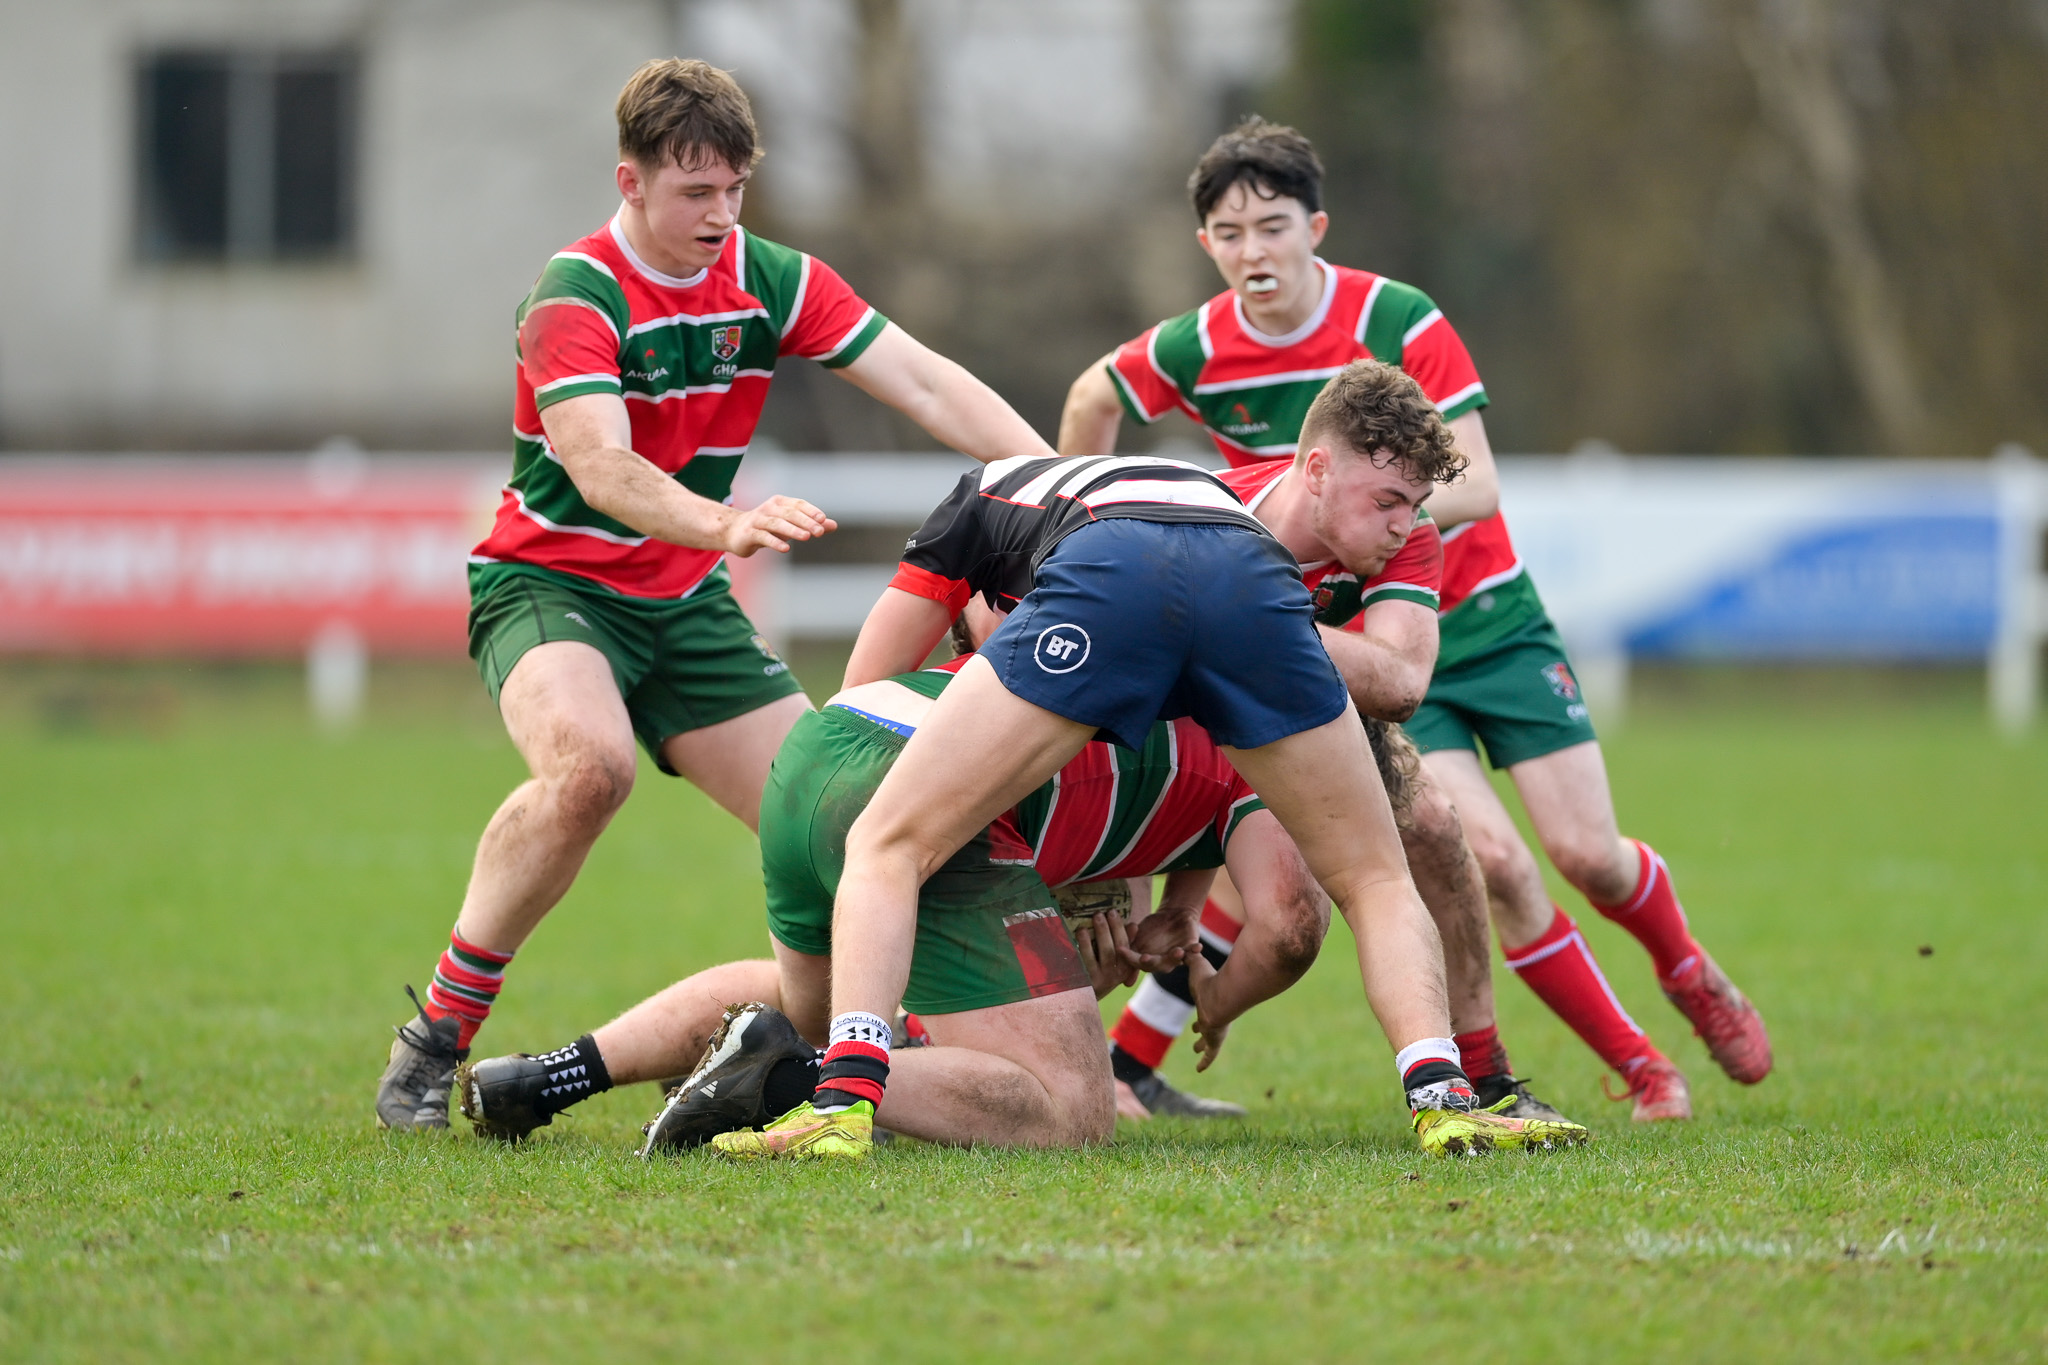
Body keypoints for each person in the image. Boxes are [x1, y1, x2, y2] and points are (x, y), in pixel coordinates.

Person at [376, 58, 1058, 1131]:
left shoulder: (769, 277)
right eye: (695, 191)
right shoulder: (574, 297)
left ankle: (846, 1056)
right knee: (590, 772)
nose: (720, 215)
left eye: (735, 189)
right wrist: (723, 525)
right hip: (550, 584)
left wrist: (1059, 488)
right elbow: (600, 467)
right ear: (631, 180)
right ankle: (438, 1035)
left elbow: (925, 381)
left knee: (845, 809)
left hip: (686, 605)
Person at [1060, 118, 1769, 1121]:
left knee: (1587, 854)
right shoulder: (1196, 346)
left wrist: (1364, 504)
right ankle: (1641, 1069)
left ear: (1315, 228)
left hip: (1483, 612)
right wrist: (1084, 502)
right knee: (1479, 857)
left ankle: (1688, 970)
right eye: (1231, 233)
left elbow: (1477, 482)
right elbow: (1092, 394)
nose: (1254, 251)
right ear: (1205, 243)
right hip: (1369, 639)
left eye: (1272, 226)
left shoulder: (1392, 317)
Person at [731, 368, 1584, 1163]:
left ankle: (839, 1099)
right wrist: (1172, 895)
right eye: (1390, 502)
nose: (1404, 526)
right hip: (1250, 577)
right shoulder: (1218, 501)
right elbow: (1192, 704)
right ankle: (1444, 1097)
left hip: (1119, 561)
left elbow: (865, 692)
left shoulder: (976, 505)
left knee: (888, 837)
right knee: (1376, 876)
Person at [456, 628, 1345, 1153]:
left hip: (826, 745)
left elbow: (1141, 822)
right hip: (932, 794)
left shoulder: (1180, 692)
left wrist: (1164, 922)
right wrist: (1213, 1003)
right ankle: (791, 1081)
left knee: (816, 1005)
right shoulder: (1270, 769)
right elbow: (1289, 924)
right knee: (1073, 1105)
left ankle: (551, 1076)